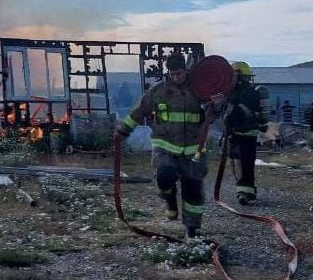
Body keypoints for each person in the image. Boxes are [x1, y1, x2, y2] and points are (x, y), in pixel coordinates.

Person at [114, 52, 213, 238]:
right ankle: (170, 200)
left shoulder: (199, 89)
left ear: (186, 70)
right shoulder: (158, 91)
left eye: (180, 73)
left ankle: (192, 230)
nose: (176, 77)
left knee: (193, 191)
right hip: (165, 146)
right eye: (172, 74)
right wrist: (123, 130)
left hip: (193, 150)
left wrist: (217, 104)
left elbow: (212, 116)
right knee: (164, 176)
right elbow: (140, 110)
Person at [224, 61, 270, 205]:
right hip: (246, 133)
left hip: (241, 133)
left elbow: (237, 113)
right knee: (244, 162)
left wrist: (228, 123)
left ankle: (243, 192)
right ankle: (247, 191)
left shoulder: (244, 92)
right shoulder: (245, 91)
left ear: (237, 75)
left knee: (239, 161)